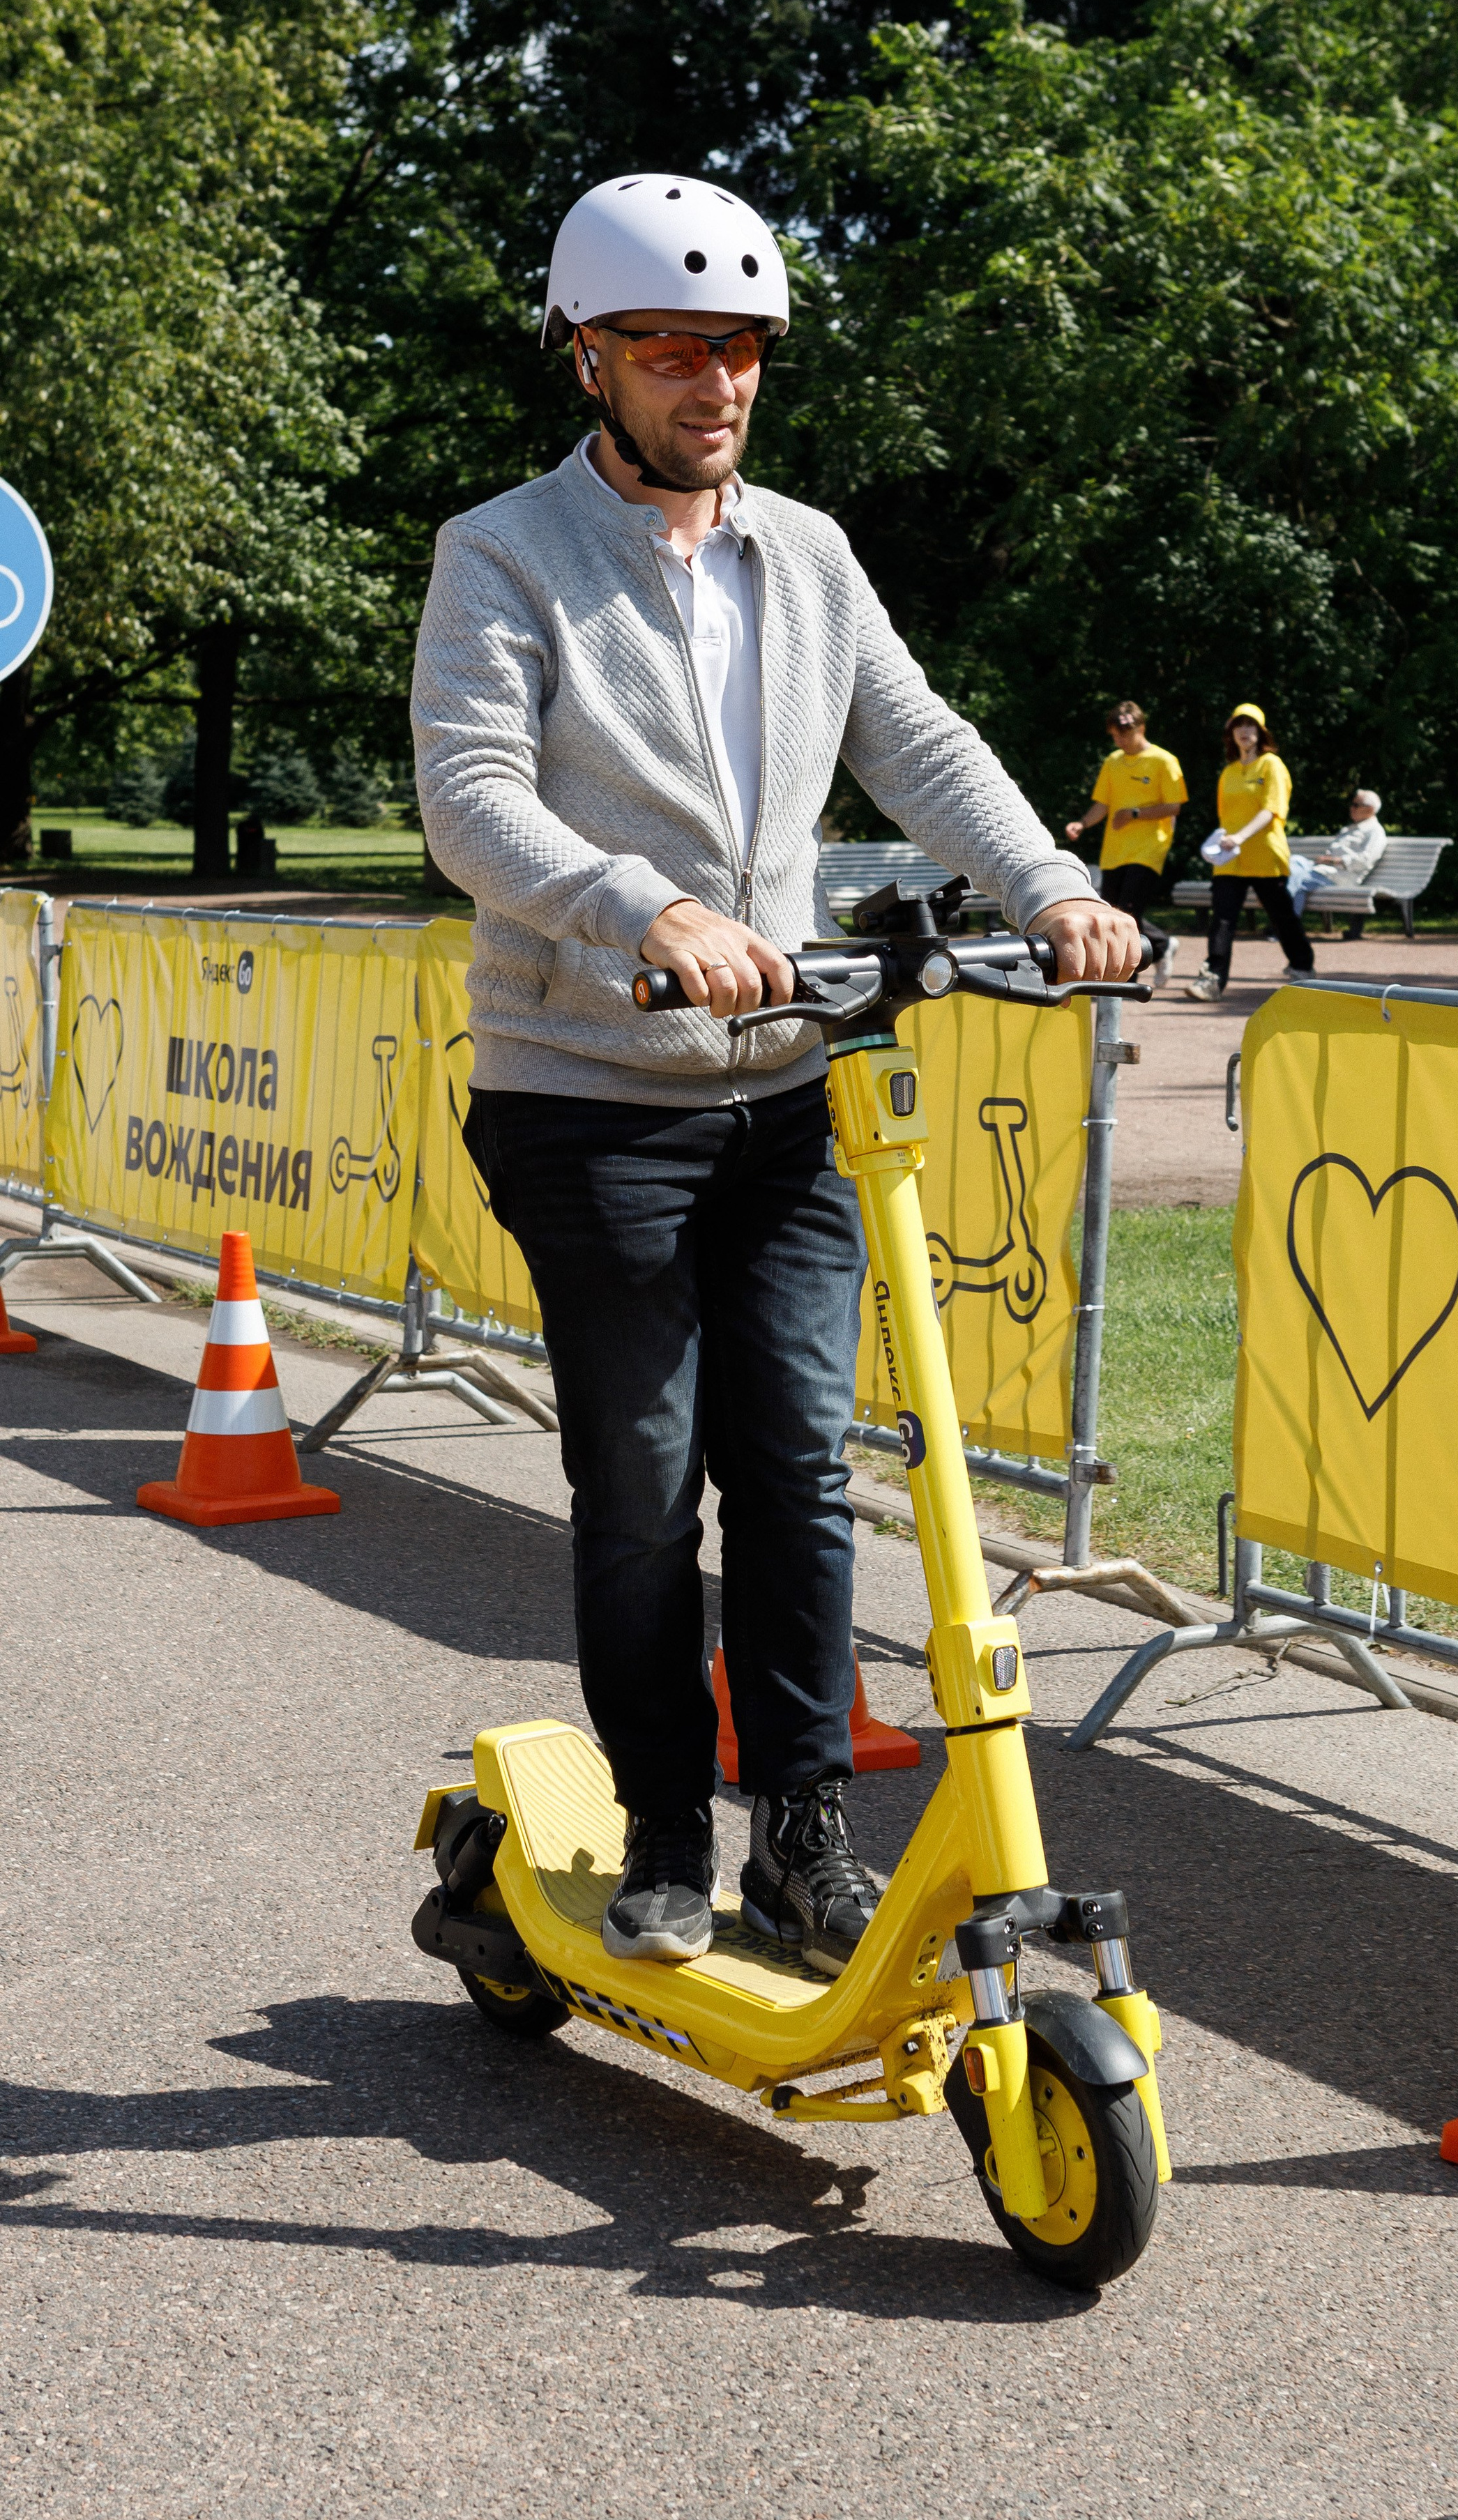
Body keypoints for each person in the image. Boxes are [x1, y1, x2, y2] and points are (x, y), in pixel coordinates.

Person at [410, 174, 1141, 1979]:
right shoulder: (502, 552)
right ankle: (663, 1827)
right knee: (649, 1477)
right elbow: (469, 798)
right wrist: (640, 905)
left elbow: (919, 740)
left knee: (801, 1464)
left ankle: (805, 1840)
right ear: (590, 356)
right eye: (669, 346)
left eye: (738, 348)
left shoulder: (804, 552)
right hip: (590, 1090)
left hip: (790, 1093)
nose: (712, 381)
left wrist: (1049, 881)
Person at [1185, 703, 1316, 1001]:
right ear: (1231, 733)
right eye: (1239, 726)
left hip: (1265, 856)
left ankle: (1303, 967)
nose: (1245, 731)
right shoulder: (1229, 772)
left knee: (1282, 916)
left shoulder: (1272, 765)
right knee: (1223, 919)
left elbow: (1272, 810)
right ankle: (1212, 980)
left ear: (1261, 732)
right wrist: (1220, 844)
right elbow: (1225, 818)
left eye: (1251, 725)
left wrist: (1241, 836)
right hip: (1230, 861)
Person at [1064, 699, 1185, 967]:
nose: (1120, 740)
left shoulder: (1164, 761)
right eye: (1116, 735)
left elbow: (1174, 806)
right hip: (1115, 852)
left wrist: (1134, 813)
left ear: (1141, 727)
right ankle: (1162, 945)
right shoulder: (1113, 761)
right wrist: (1083, 824)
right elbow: (1103, 804)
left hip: (1148, 849)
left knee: (1129, 913)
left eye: (1125, 733)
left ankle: (1128, 978)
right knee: (1113, 914)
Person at [1287, 787, 1387, 934]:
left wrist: (1334, 861)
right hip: (1323, 869)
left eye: (1356, 805)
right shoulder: (1350, 829)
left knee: (1300, 880)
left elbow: (1365, 861)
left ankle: (1286, 927)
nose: (1351, 808)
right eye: (1352, 804)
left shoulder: (1375, 832)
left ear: (1370, 809)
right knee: (1292, 863)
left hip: (1341, 875)